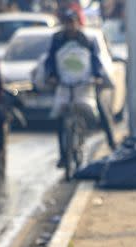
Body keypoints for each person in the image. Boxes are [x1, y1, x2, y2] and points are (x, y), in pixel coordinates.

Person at [44, 8, 116, 168]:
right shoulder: (58, 40)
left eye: (73, 23)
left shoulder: (86, 40)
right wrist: (51, 75)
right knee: (60, 118)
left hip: (84, 82)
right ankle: (63, 156)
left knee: (100, 108)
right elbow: (50, 60)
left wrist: (97, 76)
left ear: (77, 23)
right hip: (64, 82)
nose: (70, 26)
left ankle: (112, 142)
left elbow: (95, 60)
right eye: (68, 23)